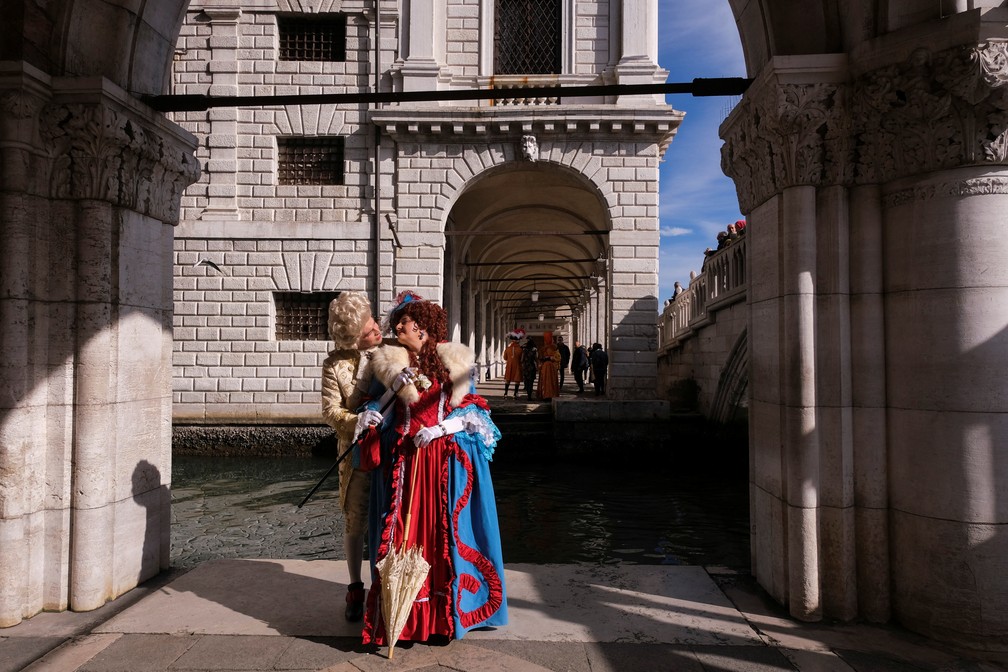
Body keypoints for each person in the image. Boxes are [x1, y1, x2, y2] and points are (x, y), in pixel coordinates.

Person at [360, 291, 507, 647]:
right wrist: (379, 404)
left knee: (439, 537)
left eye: (404, 323)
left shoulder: (454, 363)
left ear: (423, 329)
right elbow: (373, 405)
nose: (397, 329)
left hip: (440, 464)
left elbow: (475, 412)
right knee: (403, 536)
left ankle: (440, 620)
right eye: (398, 324)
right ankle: (404, 618)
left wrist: (440, 429)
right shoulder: (388, 363)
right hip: (403, 463)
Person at [320, 291, 385, 621]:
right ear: (354, 337)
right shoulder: (334, 366)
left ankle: (386, 587)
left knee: (389, 517)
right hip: (356, 454)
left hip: (390, 449)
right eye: (369, 330)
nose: (377, 330)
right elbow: (330, 411)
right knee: (355, 520)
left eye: (374, 322)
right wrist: (355, 420)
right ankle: (355, 587)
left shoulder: (391, 351)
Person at [537, 332, 561, 400]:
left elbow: (539, 358)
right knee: (551, 381)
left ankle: (545, 395)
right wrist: (551, 358)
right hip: (552, 366)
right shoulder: (554, 348)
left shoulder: (543, 349)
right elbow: (558, 358)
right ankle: (551, 394)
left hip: (545, 366)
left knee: (545, 381)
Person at [501, 329, 524, 398]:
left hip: (509, 365)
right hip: (517, 365)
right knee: (517, 380)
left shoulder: (507, 349)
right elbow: (522, 359)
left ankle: (505, 393)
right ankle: (515, 394)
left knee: (507, 380)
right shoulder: (520, 349)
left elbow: (505, 358)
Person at [520, 336, 538, 401]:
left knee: (526, 381)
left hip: (525, 367)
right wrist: (538, 366)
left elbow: (522, 359)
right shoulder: (534, 349)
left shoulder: (524, 350)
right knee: (531, 382)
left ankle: (528, 392)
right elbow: (536, 359)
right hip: (532, 366)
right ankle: (529, 396)